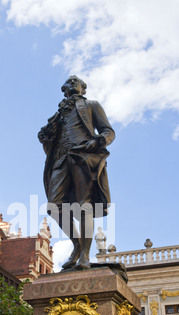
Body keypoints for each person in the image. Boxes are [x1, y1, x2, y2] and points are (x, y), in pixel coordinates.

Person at [38, 76, 115, 269]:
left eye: (76, 82)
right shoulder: (58, 115)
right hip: (60, 159)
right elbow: (49, 141)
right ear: (64, 89)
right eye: (69, 82)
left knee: (84, 207)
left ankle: (85, 256)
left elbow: (108, 131)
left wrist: (98, 141)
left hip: (83, 157)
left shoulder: (92, 105)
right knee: (55, 206)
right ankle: (78, 245)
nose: (73, 84)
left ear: (83, 88)